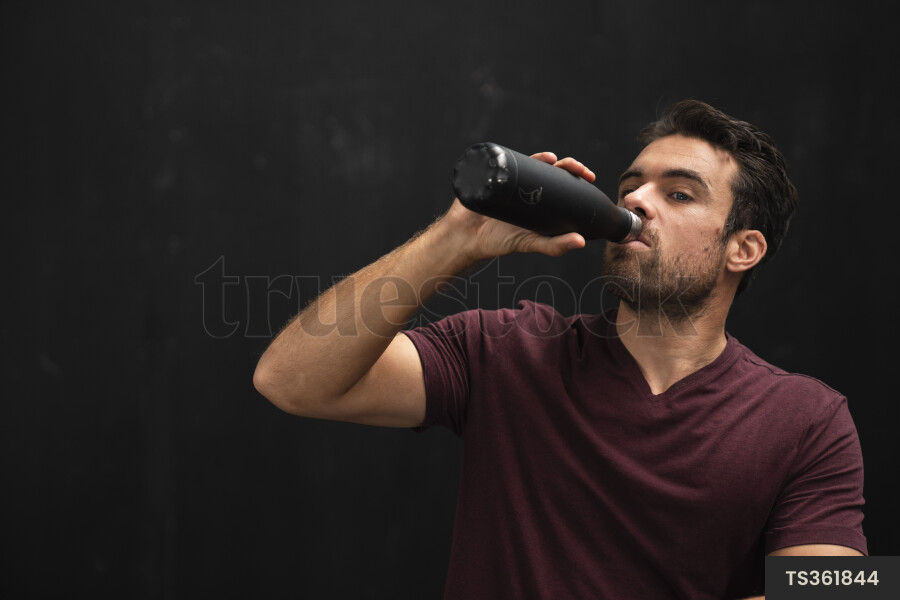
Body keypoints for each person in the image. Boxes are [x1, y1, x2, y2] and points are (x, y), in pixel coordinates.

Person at [253, 100, 866, 599]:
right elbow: (289, 380)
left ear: (744, 248)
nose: (636, 202)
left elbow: (842, 590)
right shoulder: (504, 351)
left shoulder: (809, 417)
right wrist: (454, 240)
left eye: (679, 194)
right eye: (632, 186)